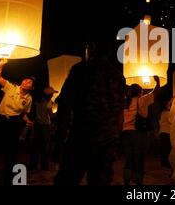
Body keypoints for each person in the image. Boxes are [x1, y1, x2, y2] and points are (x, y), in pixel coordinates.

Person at [53, 46, 126, 185]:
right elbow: (119, 114)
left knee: (66, 180)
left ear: (90, 49)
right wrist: (114, 140)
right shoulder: (117, 75)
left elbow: (65, 107)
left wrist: (59, 142)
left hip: (81, 136)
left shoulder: (80, 70)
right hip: (107, 140)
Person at [0, 58, 34, 185]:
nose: (26, 82)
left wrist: (27, 120)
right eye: (25, 80)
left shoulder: (29, 99)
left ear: (31, 87)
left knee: (11, 154)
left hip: (14, 124)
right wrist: (1, 65)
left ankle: (8, 181)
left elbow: (23, 113)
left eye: (29, 82)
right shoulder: (10, 87)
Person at [121, 76, 160, 185]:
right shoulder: (142, 100)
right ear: (139, 92)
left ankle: (126, 181)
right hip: (139, 134)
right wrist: (157, 82)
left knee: (128, 160)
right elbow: (155, 92)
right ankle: (138, 182)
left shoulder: (124, 102)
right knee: (139, 160)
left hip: (125, 134)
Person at [29, 86, 56, 171]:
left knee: (35, 146)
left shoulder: (38, 101)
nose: (52, 95)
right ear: (50, 95)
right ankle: (44, 166)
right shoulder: (48, 103)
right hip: (45, 126)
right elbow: (51, 115)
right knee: (45, 147)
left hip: (37, 125)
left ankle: (33, 166)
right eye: (52, 94)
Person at [158, 100, 172, 168]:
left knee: (163, 148)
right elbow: (171, 121)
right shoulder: (168, 113)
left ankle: (163, 162)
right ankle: (166, 162)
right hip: (167, 132)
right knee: (167, 148)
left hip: (162, 131)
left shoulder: (162, 113)